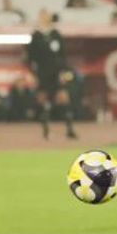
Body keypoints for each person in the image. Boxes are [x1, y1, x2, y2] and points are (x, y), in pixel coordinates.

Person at [26, 9, 77, 139]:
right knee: (43, 102)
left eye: (45, 15)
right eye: (41, 15)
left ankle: (69, 129)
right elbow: (30, 57)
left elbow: (63, 55)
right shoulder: (36, 36)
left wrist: (63, 71)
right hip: (43, 74)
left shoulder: (56, 34)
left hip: (57, 73)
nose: (44, 17)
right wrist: (33, 73)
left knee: (64, 100)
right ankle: (46, 131)